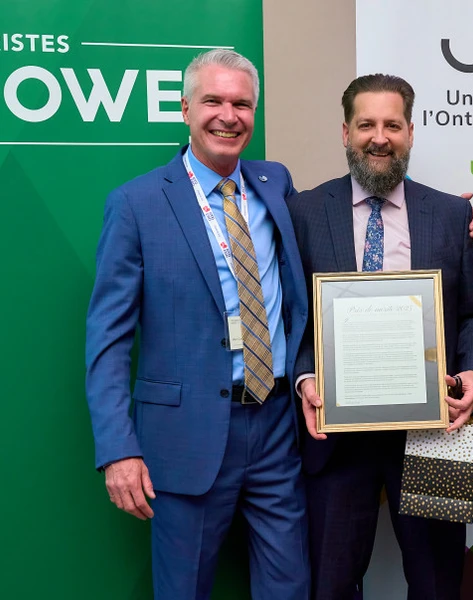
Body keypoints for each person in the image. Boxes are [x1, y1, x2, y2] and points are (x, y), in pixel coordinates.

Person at [85, 49, 310, 599]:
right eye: (213, 101)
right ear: (185, 109)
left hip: (277, 426)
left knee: (290, 587)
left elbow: (330, 232)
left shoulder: (276, 183)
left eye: (241, 104)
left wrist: (452, 217)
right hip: (185, 436)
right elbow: (109, 338)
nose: (228, 116)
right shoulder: (136, 203)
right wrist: (117, 447)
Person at [285, 73, 473, 600]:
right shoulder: (303, 212)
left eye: (392, 125)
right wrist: (306, 378)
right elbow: (292, 315)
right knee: (330, 584)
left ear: (410, 132)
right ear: (345, 132)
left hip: (436, 430)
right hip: (336, 436)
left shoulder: (450, 214)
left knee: (437, 583)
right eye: (366, 125)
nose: (379, 138)